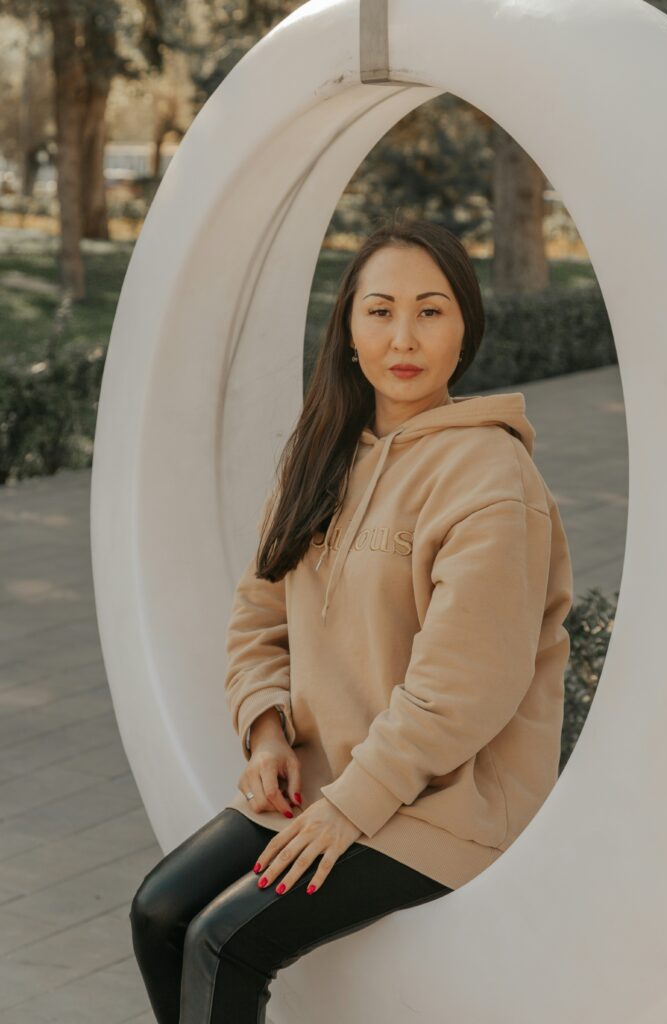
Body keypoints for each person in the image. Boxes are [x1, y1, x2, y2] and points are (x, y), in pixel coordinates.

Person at [129, 214, 574, 1023]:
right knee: (161, 913)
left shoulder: (489, 476)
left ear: (464, 329)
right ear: (347, 331)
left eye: (430, 311)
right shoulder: (322, 454)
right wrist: (267, 731)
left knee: (225, 941)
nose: (403, 337)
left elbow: (465, 688)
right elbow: (259, 611)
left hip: (441, 805)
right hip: (327, 781)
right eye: (380, 311)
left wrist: (350, 808)